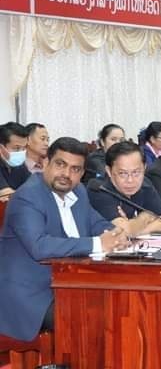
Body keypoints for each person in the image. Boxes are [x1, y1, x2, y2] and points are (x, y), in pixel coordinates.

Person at [0, 137, 128, 341]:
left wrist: (117, 234)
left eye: (75, 169)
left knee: (123, 307)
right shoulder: (27, 197)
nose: (66, 174)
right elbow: (39, 246)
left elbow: (96, 223)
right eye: (60, 164)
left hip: (68, 284)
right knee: (91, 320)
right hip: (29, 295)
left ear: (82, 173)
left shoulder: (78, 191)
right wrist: (98, 243)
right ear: (45, 163)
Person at [87, 141, 161, 236]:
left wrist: (135, 228)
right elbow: (123, 232)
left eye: (136, 172)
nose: (130, 180)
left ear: (144, 168)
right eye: (123, 173)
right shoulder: (100, 189)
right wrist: (145, 216)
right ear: (109, 171)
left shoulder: (144, 184)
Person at [0, 122, 32, 200]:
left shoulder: (20, 166)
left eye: (24, 148)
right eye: (17, 148)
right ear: (1, 147)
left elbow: (36, 187)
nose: (21, 152)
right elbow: (6, 194)